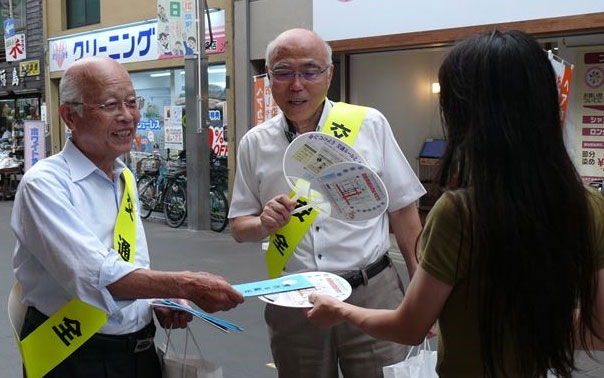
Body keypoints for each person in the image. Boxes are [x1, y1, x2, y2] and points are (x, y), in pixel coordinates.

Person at [306, 30, 604, 378]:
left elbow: (409, 327)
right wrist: (533, 328)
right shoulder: (588, 205)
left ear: (465, 115)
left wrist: (341, 311)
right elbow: (599, 329)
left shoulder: (459, 214)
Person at [11, 56, 244, 378]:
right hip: (75, 354)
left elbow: (128, 263)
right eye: (109, 105)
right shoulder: (45, 184)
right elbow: (96, 275)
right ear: (70, 116)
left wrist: (161, 297)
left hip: (139, 350)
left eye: (132, 103)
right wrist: (187, 284)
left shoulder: (124, 176)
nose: (127, 116)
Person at [228, 28, 426, 378]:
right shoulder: (254, 143)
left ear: (329, 74)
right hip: (295, 300)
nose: (296, 84)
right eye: (284, 72)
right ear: (269, 78)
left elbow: (404, 210)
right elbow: (239, 227)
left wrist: (420, 292)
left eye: (309, 70)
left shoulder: (368, 124)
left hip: (372, 291)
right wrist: (262, 224)